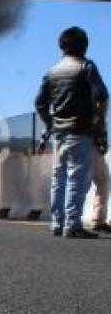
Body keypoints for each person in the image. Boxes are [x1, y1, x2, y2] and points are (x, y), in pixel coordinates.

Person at [35, 26, 108, 238]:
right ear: (85, 45)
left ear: (62, 46)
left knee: (58, 178)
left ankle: (57, 223)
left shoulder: (51, 72)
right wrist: (100, 123)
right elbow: (102, 95)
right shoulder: (86, 67)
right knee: (77, 178)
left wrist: (49, 124)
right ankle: (73, 225)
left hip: (58, 133)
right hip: (80, 130)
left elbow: (39, 103)